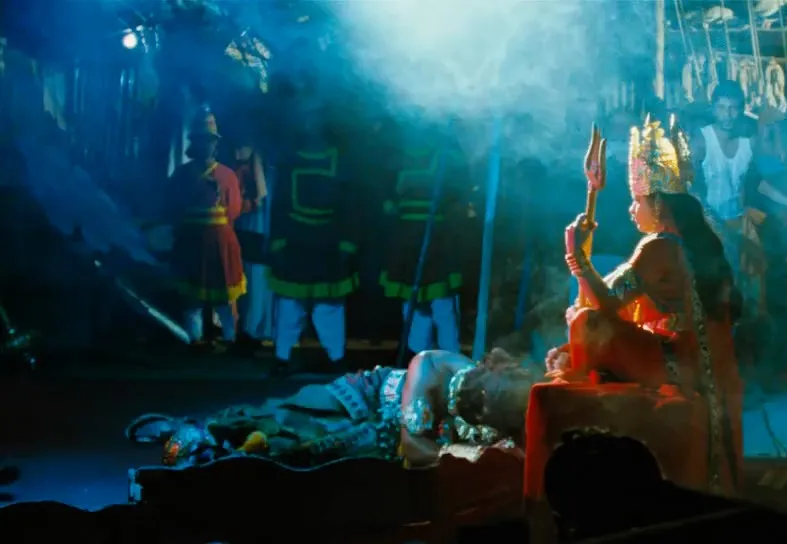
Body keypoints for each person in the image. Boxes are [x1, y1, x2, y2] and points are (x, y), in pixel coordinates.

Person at [546, 117, 744, 495]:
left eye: (637, 201)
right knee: (589, 325)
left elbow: (607, 304)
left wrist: (578, 259)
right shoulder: (696, 239)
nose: (631, 210)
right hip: (697, 363)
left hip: (677, 364)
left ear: (658, 203)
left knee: (588, 322)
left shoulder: (660, 246)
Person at [125, 349, 541, 468]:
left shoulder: (504, 408)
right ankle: (198, 430)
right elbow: (414, 447)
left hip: (382, 442)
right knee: (282, 420)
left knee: (295, 456)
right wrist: (469, 454)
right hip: (361, 399)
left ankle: (225, 455)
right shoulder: (433, 366)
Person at [690, 84, 787, 308]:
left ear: (741, 110)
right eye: (722, 108)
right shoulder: (701, 140)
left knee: (750, 284)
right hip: (709, 225)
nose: (728, 115)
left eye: (733, 108)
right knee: (716, 287)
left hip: (739, 222)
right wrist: (708, 222)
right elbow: (690, 187)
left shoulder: (748, 143)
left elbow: (758, 183)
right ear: (714, 109)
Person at [267, 108, 360, 374]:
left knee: (329, 307)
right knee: (290, 306)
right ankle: (282, 357)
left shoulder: (340, 163)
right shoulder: (290, 162)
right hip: (296, 242)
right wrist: (278, 241)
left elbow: (349, 207)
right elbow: (280, 203)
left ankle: (336, 358)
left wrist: (347, 242)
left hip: (328, 243)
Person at [379, 129, 470, 357]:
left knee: (443, 307)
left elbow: (462, 191)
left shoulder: (446, 157)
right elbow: (387, 198)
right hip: (406, 241)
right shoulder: (397, 159)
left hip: (438, 241)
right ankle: (420, 361)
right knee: (415, 308)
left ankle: (452, 362)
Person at [168, 112, 246, 352]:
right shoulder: (182, 174)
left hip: (221, 242)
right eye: (202, 140)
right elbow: (172, 206)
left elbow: (234, 210)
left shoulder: (227, 175)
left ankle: (230, 339)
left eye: (210, 140)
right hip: (191, 240)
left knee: (224, 296)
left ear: (215, 144)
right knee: (192, 297)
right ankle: (195, 340)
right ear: (195, 143)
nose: (207, 145)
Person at [228, 135, 273, 350]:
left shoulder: (261, 169)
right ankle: (251, 329)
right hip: (248, 231)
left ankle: (252, 330)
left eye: (242, 146)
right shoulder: (239, 171)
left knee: (257, 283)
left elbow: (261, 196)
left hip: (258, 232)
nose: (238, 151)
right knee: (250, 283)